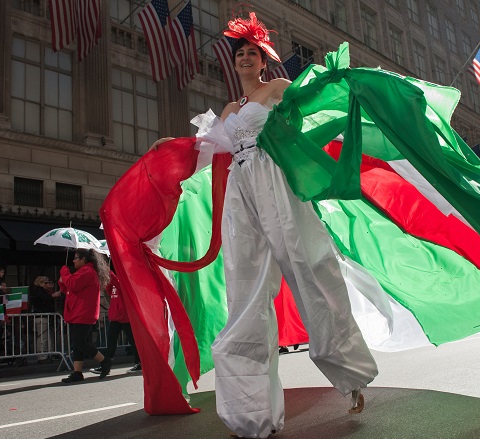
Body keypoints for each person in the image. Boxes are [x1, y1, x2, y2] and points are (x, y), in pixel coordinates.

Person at [146, 14, 379, 437]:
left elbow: (313, 101)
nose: (246, 58)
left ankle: (351, 376)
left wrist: (338, 79)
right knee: (245, 293)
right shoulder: (232, 109)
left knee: (310, 269)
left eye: (252, 52)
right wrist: (172, 147)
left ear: (263, 59)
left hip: (275, 184)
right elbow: (207, 148)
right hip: (241, 193)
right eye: (240, 54)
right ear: (233, 63)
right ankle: (252, 414)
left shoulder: (277, 90)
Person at [58, 248, 112, 383]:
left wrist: (64, 272)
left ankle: (104, 361)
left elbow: (72, 284)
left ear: (83, 260)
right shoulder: (85, 271)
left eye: (76, 258)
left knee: (79, 341)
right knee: (78, 343)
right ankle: (77, 372)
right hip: (79, 311)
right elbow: (69, 288)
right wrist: (63, 280)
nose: (73, 260)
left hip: (83, 312)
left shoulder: (87, 271)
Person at [89, 258, 140, 376]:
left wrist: (106, 270)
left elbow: (114, 282)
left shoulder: (124, 283)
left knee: (132, 341)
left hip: (125, 316)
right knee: (112, 341)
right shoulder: (116, 284)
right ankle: (106, 364)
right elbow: (109, 289)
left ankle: (139, 362)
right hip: (117, 316)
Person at [30, 275, 60, 363]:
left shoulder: (43, 291)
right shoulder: (38, 290)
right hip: (40, 316)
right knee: (42, 337)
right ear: (40, 283)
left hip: (44, 316)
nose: (47, 284)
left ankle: (46, 354)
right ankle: (42, 357)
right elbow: (44, 299)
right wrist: (53, 295)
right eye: (45, 282)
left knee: (46, 337)